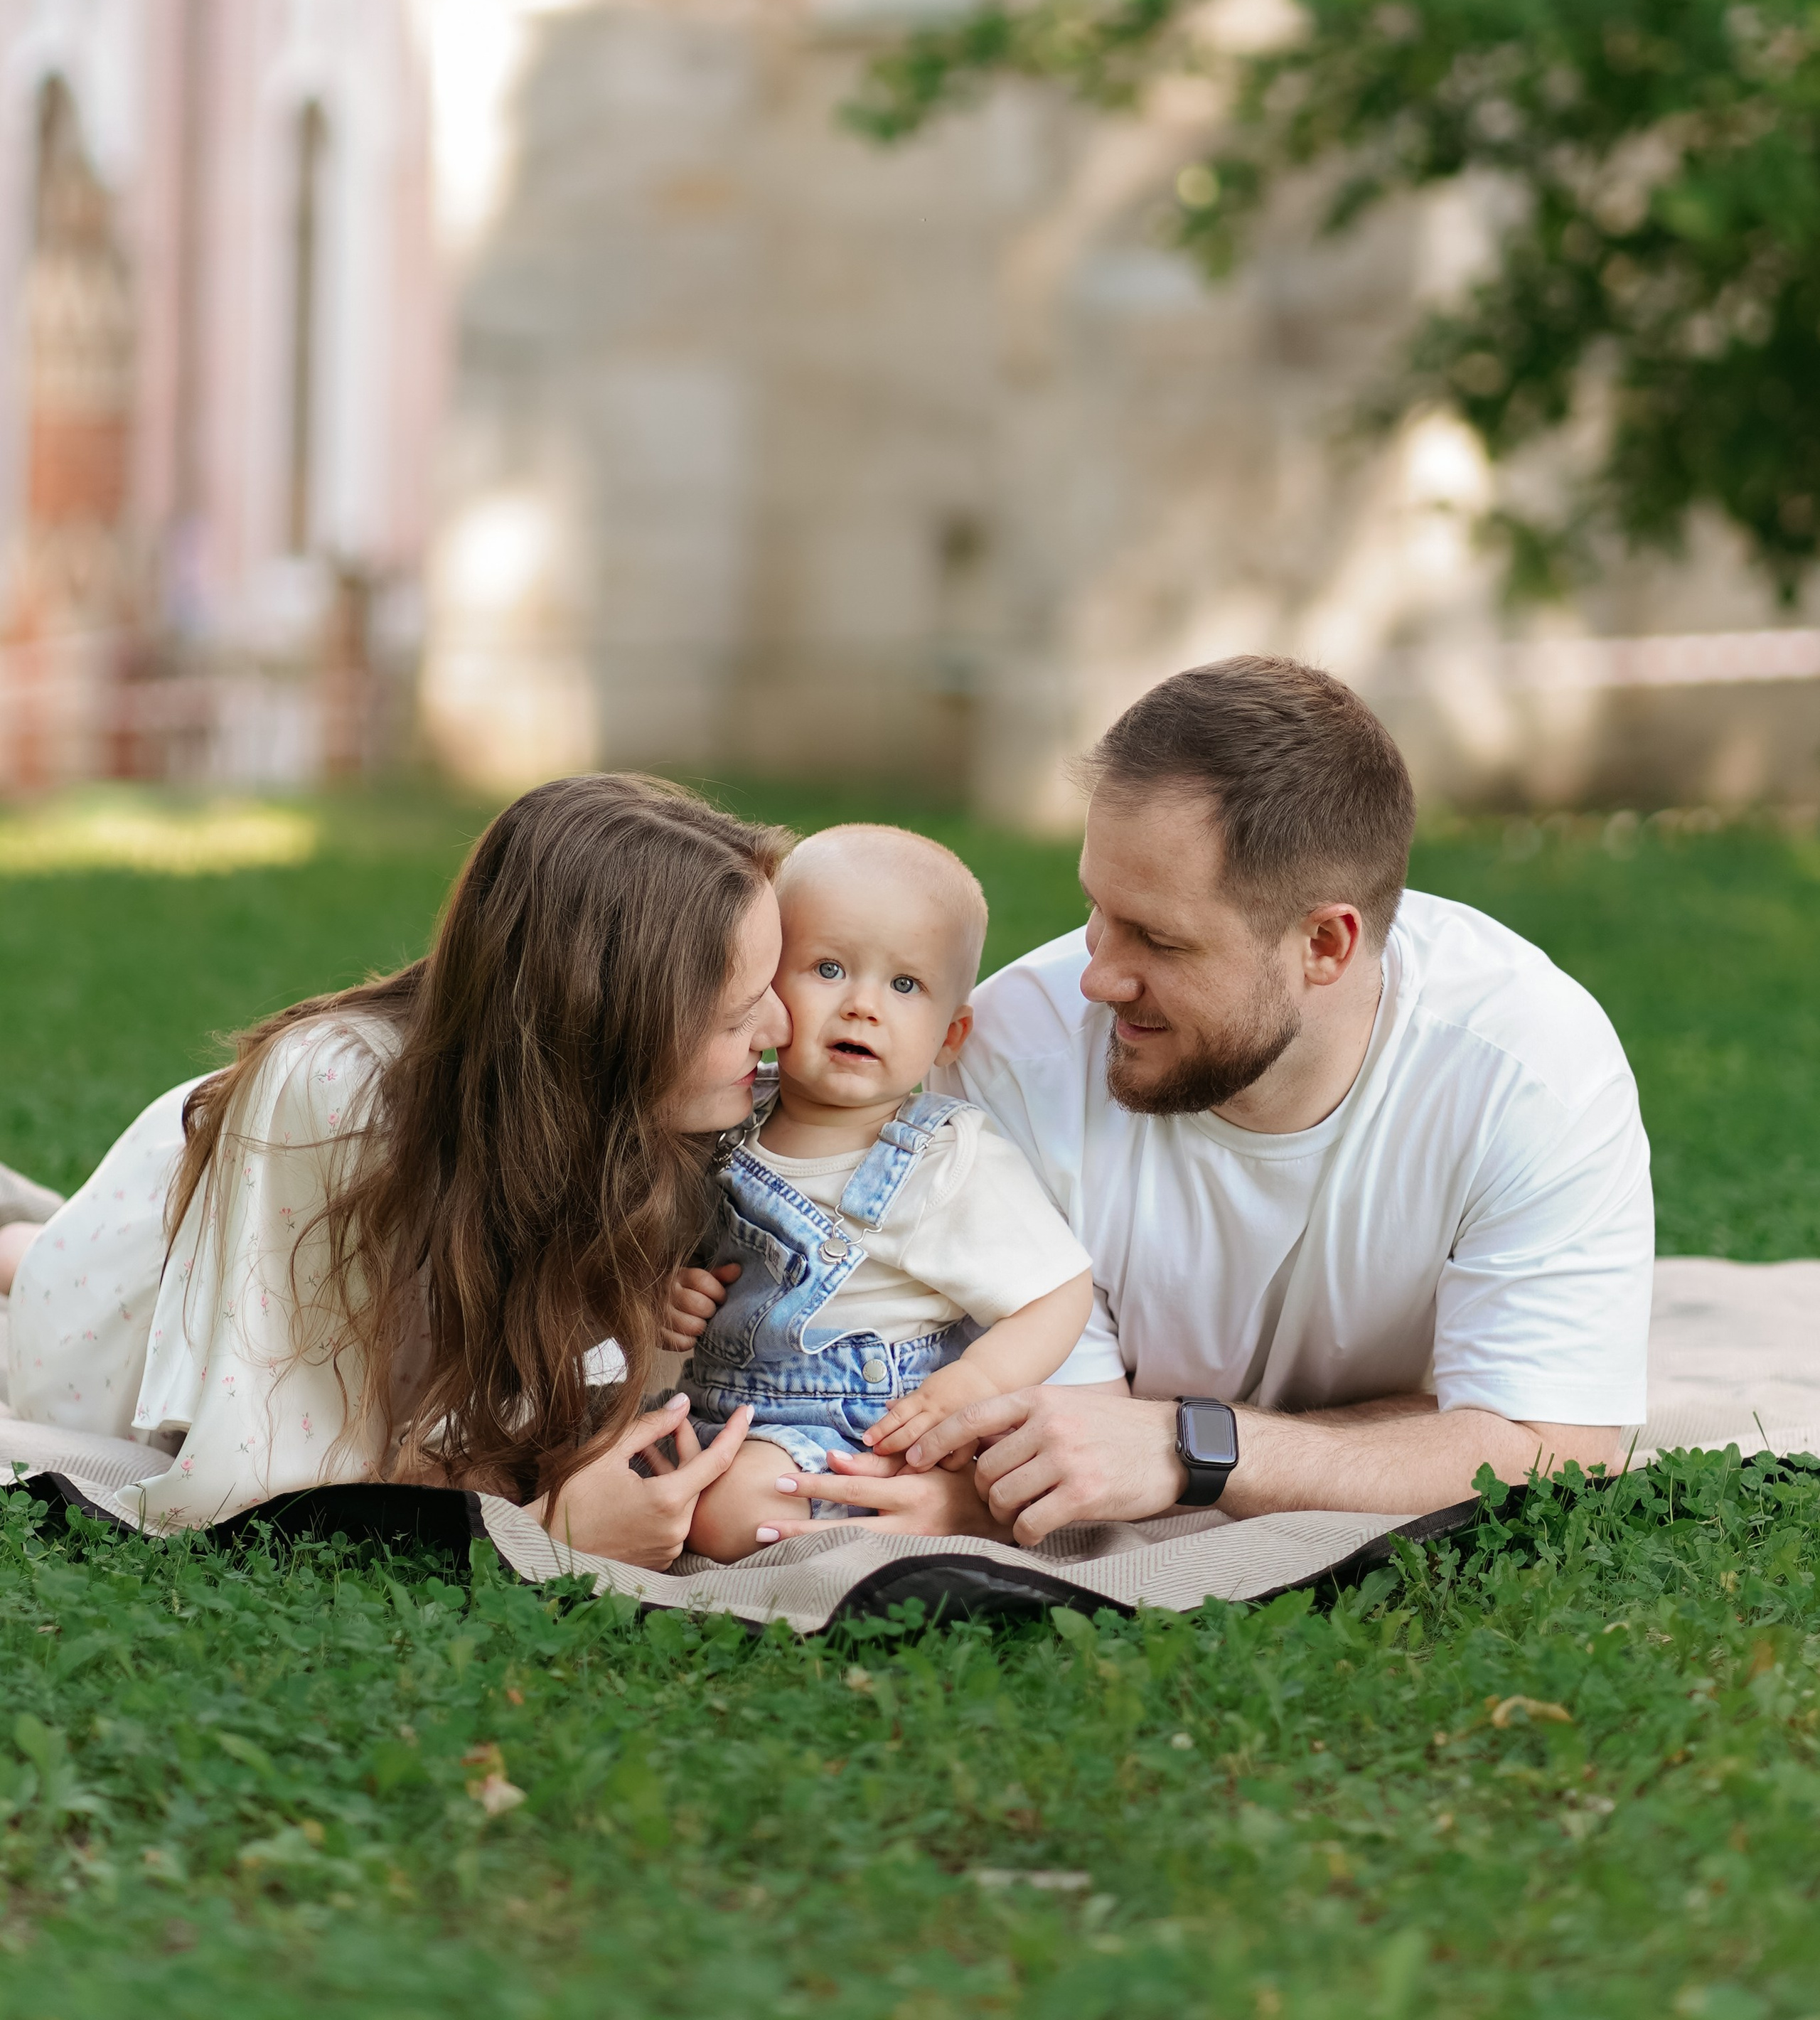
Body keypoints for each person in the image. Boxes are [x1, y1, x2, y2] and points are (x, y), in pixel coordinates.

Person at [891, 656, 1654, 1547]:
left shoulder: (1526, 1068)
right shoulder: (1009, 1056)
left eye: (1159, 938)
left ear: (1325, 944)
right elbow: (1071, 1454)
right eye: (1098, 908)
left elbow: (1555, 1455)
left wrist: (1192, 1447)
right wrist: (1432, 1426)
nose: (1096, 975)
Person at [0, 774, 811, 1564]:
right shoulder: (337, 1097)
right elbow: (282, 1482)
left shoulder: (680, 1109)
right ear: (605, 1020)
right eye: (738, 1011)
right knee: (54, 1270)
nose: (778, 1026)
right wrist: (545, 1538)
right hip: (138, 1293)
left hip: (334, 1277)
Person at [672, 825, 1093, 1561]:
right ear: (768, 987)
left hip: (850, 1426)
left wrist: (974, 1382)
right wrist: (674, 1292)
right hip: (713, 1397)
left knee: (731, 1514)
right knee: (605, 1463)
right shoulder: (731, 1114)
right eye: (828, 968)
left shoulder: (944, 1157)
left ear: (950, 1034)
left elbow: (1058, 1290)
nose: (863, 1005)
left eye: (904, 985)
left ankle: (867, 1527)